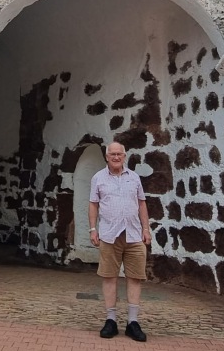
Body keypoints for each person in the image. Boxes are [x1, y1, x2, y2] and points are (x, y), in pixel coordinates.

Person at [89, 141, 151, 342]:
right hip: (109, 234)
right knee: (109, 276)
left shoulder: (134, 177)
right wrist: (93, 229)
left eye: (119, 154)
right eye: (112, 154)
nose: (116, 157)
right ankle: (111, 320)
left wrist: (146, 228)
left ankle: (133, 322)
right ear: (107, 156)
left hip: (134, 234)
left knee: (135, 277)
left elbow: (141, 203)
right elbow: (93, 204)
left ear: (125, 156)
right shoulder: (98, 178)